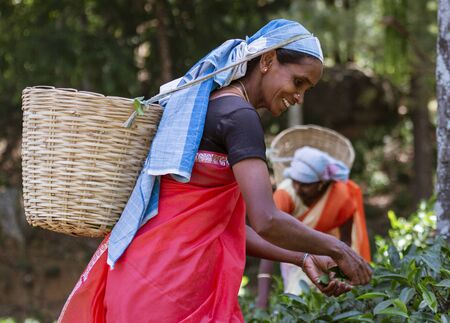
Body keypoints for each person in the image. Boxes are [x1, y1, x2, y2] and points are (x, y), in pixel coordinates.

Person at [59, 19, 371, 323]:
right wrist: (338, 248)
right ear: (268, 60)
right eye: (298, 82)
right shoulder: (240, 117)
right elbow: (266, 219)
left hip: (142, 277)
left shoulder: (206, 108)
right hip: (170, 288)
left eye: (307, 89)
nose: (299, 96)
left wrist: (301, 257)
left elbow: (228, 228)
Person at [257, 146, 371, 309]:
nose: (297, 188)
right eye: (294, 181)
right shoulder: (285, 194)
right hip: (294, 253)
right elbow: (269, 239)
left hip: (332, 254)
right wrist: (263, 296)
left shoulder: (341, 197)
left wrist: (339, 270)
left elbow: (345, 240)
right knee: (300, 302)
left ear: (321, 183)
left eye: (304, 184)